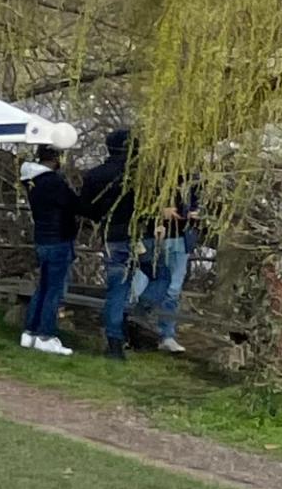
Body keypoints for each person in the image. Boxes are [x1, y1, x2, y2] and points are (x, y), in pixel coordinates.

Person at [18, 142, 84, 355]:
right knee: (54, 290)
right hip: (58, 239)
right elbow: (73, 203)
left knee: (43, 287)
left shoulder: (31, 181)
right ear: (56, 159)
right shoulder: (53, 182)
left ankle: (30, 331)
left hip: (43, 238)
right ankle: (46, 335)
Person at [87, 125, 146, 361]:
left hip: (110, 234)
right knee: (129, 286)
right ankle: (119, 335)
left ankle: (118, 335)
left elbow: (87, 206)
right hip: (132, 234)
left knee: (117, 288)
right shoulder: (137, 176)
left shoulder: (95, 175)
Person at [145, 173, 205, 356]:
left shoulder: (196, 180)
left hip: (182, 238)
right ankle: (136, 322)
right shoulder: (155, 174)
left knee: (173, 289)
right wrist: (159, 211)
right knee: (150, 285)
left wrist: (198, 213)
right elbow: (139, 205)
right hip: (158, 238)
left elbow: (203, 205)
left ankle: (167, 334)